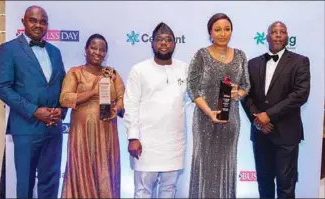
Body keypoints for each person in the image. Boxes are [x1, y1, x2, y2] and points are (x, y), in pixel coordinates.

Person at [0, 5, 67, 198]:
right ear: (23, 22)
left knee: (50, 182)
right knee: (25, 183)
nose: (38, 25)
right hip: (26, 127)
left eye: (43, 22)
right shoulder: (9, 49)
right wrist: (34, 110)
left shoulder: (55, 52)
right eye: (33, 20)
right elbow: (2, 88)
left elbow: (63, 85)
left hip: (53, 128)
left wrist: (61, 109)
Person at [241, 21, 310, 199]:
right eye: (274, 31)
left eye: (282, 31)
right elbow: (245, 94)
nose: (278, 34)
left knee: (286, 185)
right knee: (263, 183)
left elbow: (300, 95)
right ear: (267, 36)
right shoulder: (252, 63)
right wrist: (257, 120)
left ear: (287, 37)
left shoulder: (300, 61)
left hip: (286, 134)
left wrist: (268, 115)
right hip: (260, 133)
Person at [187, 13, 250, 198]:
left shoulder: (240, 55)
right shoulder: (201, 55)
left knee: (227, 165)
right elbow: (192, 88)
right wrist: (208, 112)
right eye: (218, 29)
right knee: (205, 165)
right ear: (210, 32)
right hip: (205, 120)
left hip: (230, 120)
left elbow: (246, 85)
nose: (223, 33)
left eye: (227, 29)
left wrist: (239, 93)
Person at [124, 22, 188, 198]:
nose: (164, 43)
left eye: (168, 40)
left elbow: (195, 96)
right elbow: (131, 104)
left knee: (169, 189)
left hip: (174, 143)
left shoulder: (184, 68)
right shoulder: (139, 69)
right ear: (152, 43)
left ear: (175, 44)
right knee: (143, 190)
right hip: (146, 143)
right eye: (159, 39)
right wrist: (133, 137)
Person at [59, 33, 125, 198]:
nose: (97, 52)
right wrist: (93, 92)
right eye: (93, 48)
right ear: (86, 50)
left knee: (105, 169)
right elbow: (65, 98)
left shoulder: (112, 74)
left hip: (106, 131)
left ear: (106, 54)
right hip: (82, 134)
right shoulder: (75, 73)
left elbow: (123, 98)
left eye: (102, 50)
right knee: (82, 168)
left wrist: (116, 109)